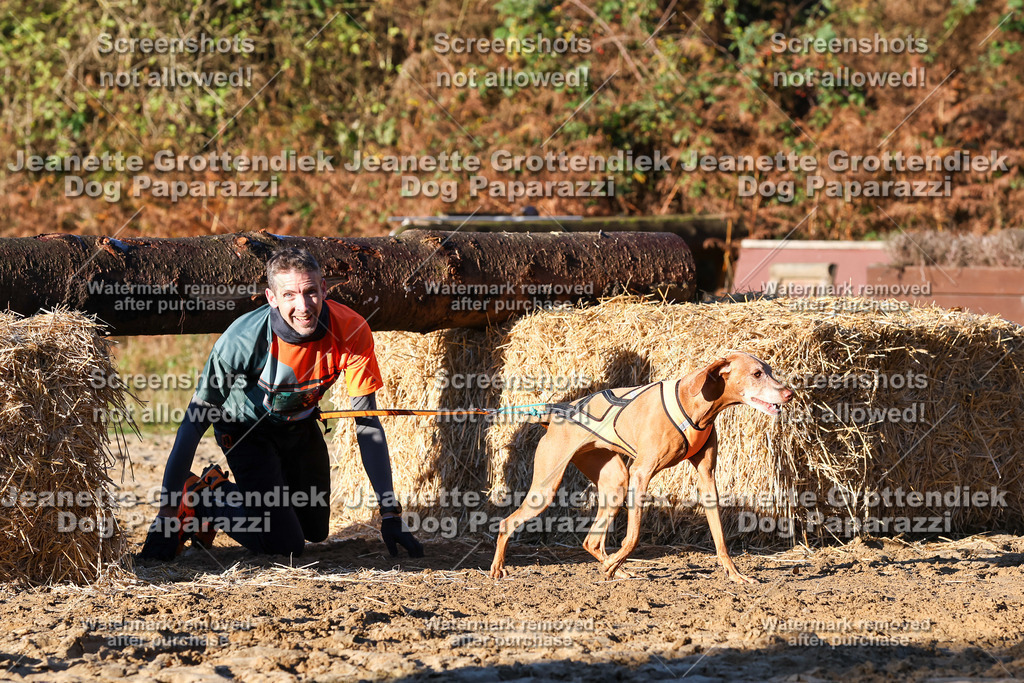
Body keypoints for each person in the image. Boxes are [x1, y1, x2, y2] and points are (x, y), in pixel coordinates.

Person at [138, 247, 422, 560]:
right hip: (246, 431)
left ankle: (256, 505)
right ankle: (205, 496)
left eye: (311, 292)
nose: (303, 306)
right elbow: (193, 424)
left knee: (314, 531)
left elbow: (367, 422)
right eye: (289, 295)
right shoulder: (242, 340)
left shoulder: (351, 329)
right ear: (271, 297)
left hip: (299, 426)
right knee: (286, 545)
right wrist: (166, 514)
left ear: (324, 289)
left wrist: (390, 512)